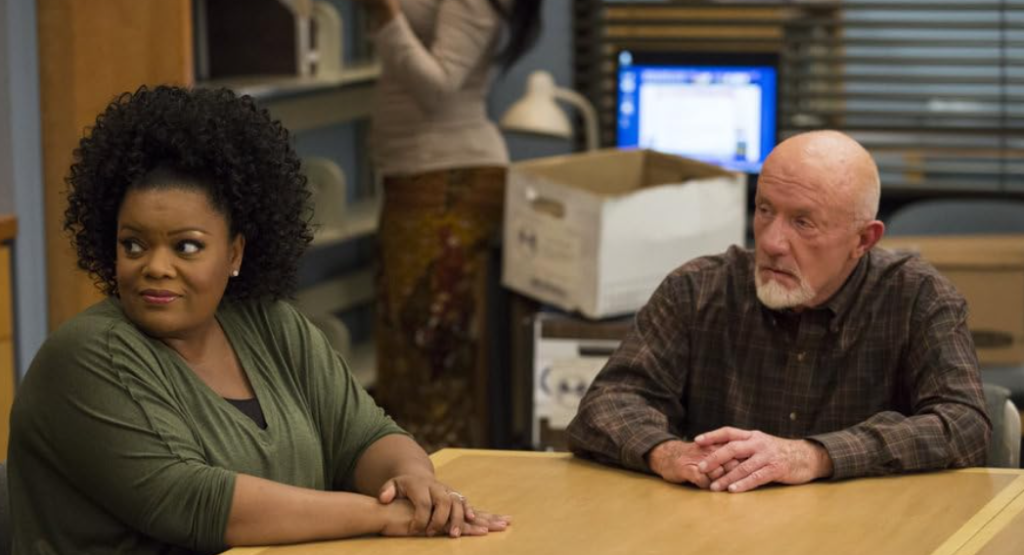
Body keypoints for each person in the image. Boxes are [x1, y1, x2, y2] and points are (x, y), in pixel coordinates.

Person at [8, 86, 510, 554]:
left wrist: (413, 477)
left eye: (186, 246)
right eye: (133, 245)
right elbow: (194, 504)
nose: (155, 267)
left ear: (235, 252)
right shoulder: (86, 358)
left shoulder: (270, 324)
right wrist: (384, 516)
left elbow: (362, 436)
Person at [566, 130, 991, 493]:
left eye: (803, 223)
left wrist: (814, 455)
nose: (772, 242)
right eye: (765, 209)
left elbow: (964, 425)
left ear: (863, 241)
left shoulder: (916, 297)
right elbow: (606, 405)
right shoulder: (698, 289)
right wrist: (667, 452)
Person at [356, 0, 542, 450]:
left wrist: (385, 15)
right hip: (421, 178)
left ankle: (440, 487)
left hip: (449, 179)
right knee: (410, 347)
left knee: (429, 351)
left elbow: (438, 86)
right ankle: (419, 480)